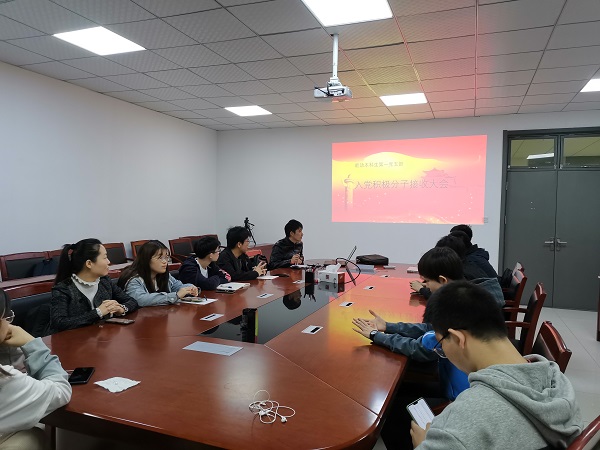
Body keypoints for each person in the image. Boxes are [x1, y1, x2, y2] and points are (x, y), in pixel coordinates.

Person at [411, 281, 583, 449]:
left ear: (458, 338)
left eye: (441, 344)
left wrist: (423, 443)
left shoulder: (463, 420)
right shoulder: (556, 380)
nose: (443, 351)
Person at [0, 288, 72, 449]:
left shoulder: (104, 285)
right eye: (7, 318)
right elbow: (60, 392)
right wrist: (31, 344)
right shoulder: (4, 380)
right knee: (31, 436)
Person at [50, 239, 138, 334]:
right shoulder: (63, 289)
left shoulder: (104, 281)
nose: (108, 262)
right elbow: (59, 323)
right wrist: (98, 312)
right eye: (105, 257)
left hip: (103, 338)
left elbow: (132, 301)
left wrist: (121, 308)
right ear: (89, 263)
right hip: (75, 340)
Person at [118, 240, 198, 306]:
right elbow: (140, 300)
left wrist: (190, 288)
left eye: (166, 257)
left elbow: (177, 286)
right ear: (146, 259)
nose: (165, 262)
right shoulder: (134, 279)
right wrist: (175, 295)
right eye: (160, 258)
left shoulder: (162, 274)